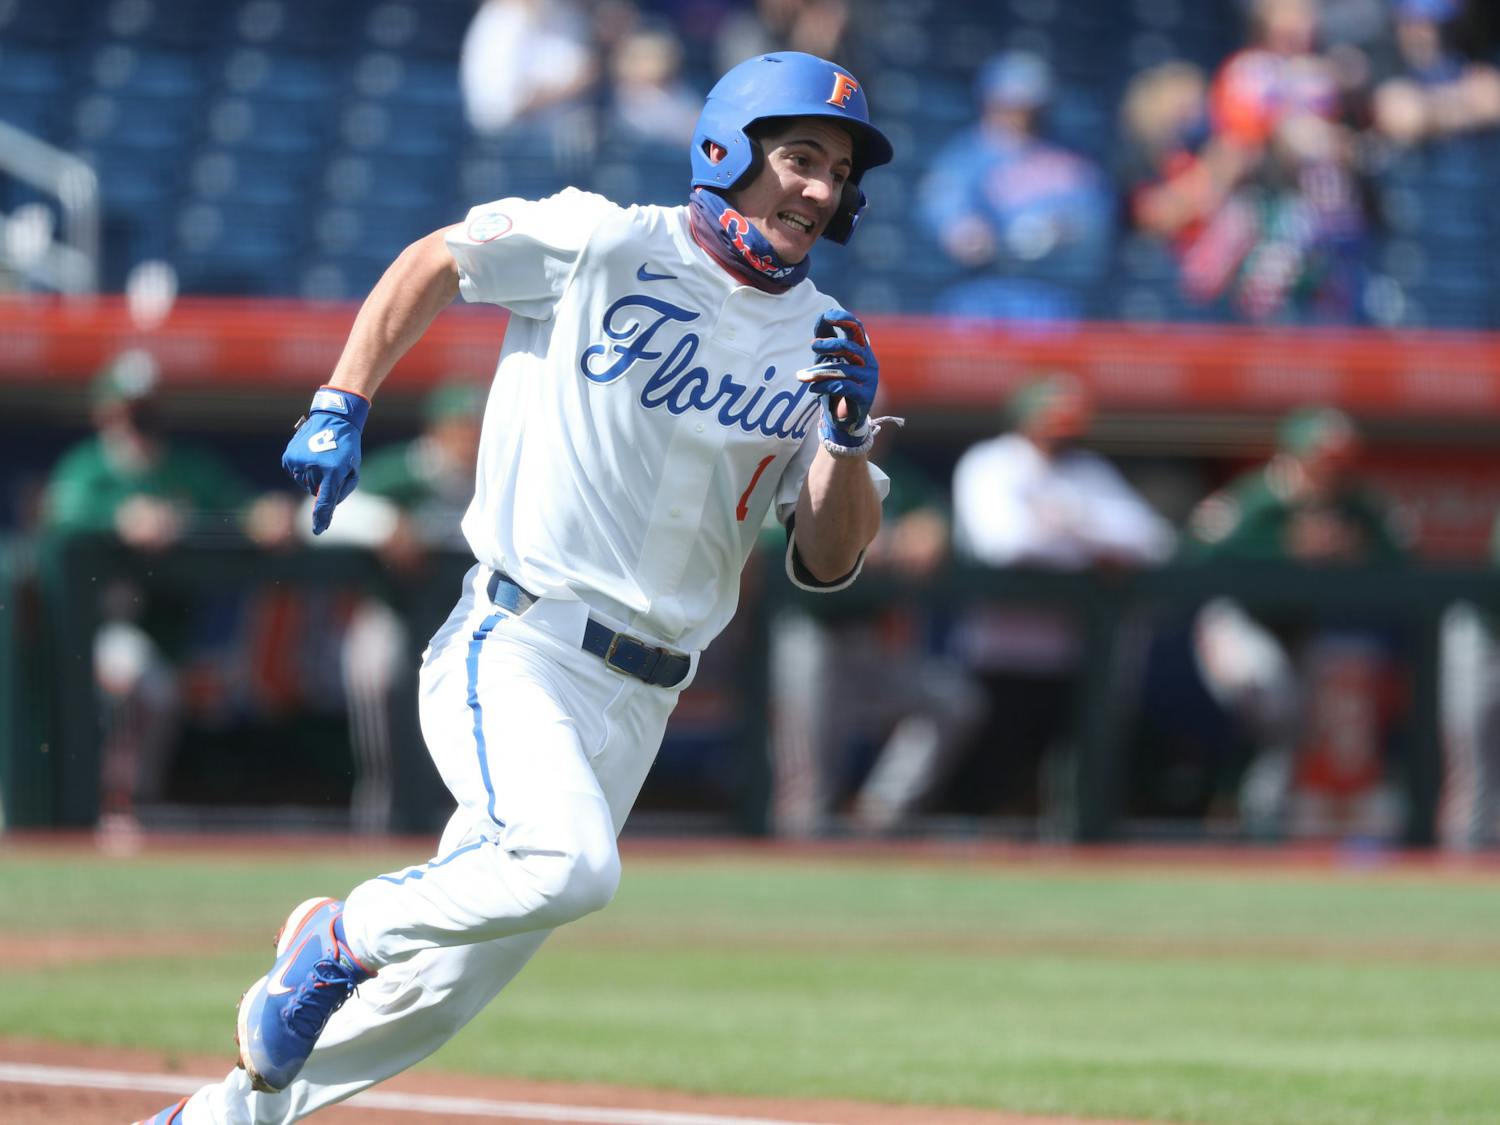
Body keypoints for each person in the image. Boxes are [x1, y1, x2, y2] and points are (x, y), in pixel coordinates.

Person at [131, 50, 894, 1125]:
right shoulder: (605, 239)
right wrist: (342, 398)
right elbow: (437, 258)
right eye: (801, 156)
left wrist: (848, 443)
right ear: (726, 150)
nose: (819, 188)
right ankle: (338, 934)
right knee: (573, 866)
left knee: (435, 995)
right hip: (522, 640)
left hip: (647, 695)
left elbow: (828, 558)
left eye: (839, 172)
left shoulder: (825, 342)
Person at [39, 350, 293, 838]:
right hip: (86, 633)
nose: (137, 419)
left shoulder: (184, 468)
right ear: (105, 411)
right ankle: (107, 803)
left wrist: (261, 515)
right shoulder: (87, 468)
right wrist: (120, 518)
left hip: (163, 631)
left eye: (146, 407)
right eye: (127, 407)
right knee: (134, 676)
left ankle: (131, 803)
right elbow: (63, 516)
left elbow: (239, 508)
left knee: (155, 685)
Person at [945, 374, 1174, 825]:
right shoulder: (991, 463)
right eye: (1052, 420)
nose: (1062, 432)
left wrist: (1068, 526)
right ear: (1026, 419)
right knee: (993, 794)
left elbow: (1154, 542)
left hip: (1076, 657)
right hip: (1004, 655)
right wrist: (1095, 547)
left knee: (1072, 794)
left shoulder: (1088, 470)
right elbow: (1007, 544)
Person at [1179, 406, 1411, 837]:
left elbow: (1401, 556)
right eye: (1322, 458)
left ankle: (1260, 828)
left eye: (1340, 460)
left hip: (1303, 628)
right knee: (1266, 694)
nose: (1332, 469)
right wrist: (1280, 549)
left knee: (1295, 729)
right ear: (1295, 456)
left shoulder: (1356, 505)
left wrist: (1356, 551)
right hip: (1239, 621)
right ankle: (1231, 806)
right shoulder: (1259, 497)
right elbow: (1196, 552)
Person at [770, 435, 985, 837]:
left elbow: (939, 519)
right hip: (812, 631)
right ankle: (796, 853)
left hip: (877, 638)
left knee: (952, 703)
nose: (862, 422)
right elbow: (770, 539)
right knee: (807, 779)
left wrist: (933, 528)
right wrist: (865, 543)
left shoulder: (896, 475)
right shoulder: (796, 461)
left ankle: (877, 818)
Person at [298, 379, 487, 834]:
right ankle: (377, 831)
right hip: (393, 614)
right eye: (463, 426)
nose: (472, 437)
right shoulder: (405, 471)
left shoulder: (497, 476)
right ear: (438, 430)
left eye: (478, 426)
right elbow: (314, 516)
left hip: (470, 624)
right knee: (384, 723)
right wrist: (384, 523)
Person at [915, 50, 1115, 321]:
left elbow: (1097, 217)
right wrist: (967, 232)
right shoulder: (965, 156)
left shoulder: (1069, 158)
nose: (1019, 115)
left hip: (1055, 294)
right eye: (1008, 105)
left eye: (1028, 108)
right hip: (980, 290)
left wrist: (1059, 229)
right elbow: (944, 210)